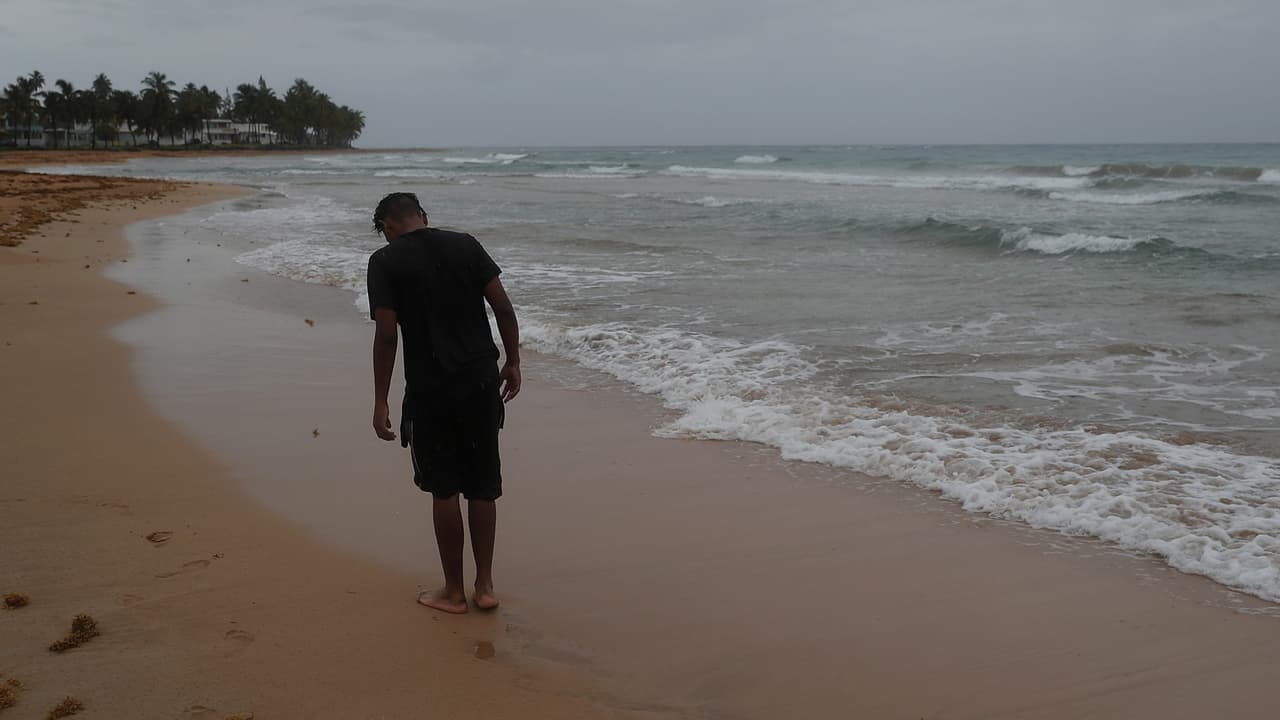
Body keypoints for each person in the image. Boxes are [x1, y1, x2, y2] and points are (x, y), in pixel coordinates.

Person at [366, 191, 521, 614]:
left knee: (444, 488)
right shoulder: (466, 245)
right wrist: (513, 362)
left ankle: (453, 592)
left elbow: (386, 336)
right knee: (483, 485)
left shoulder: (385, 262)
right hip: (480, 380)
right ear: (423, 215)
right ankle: (485, 586)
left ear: (388, 226)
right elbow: (504, 309)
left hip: (430, 388)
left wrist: (380, 400)